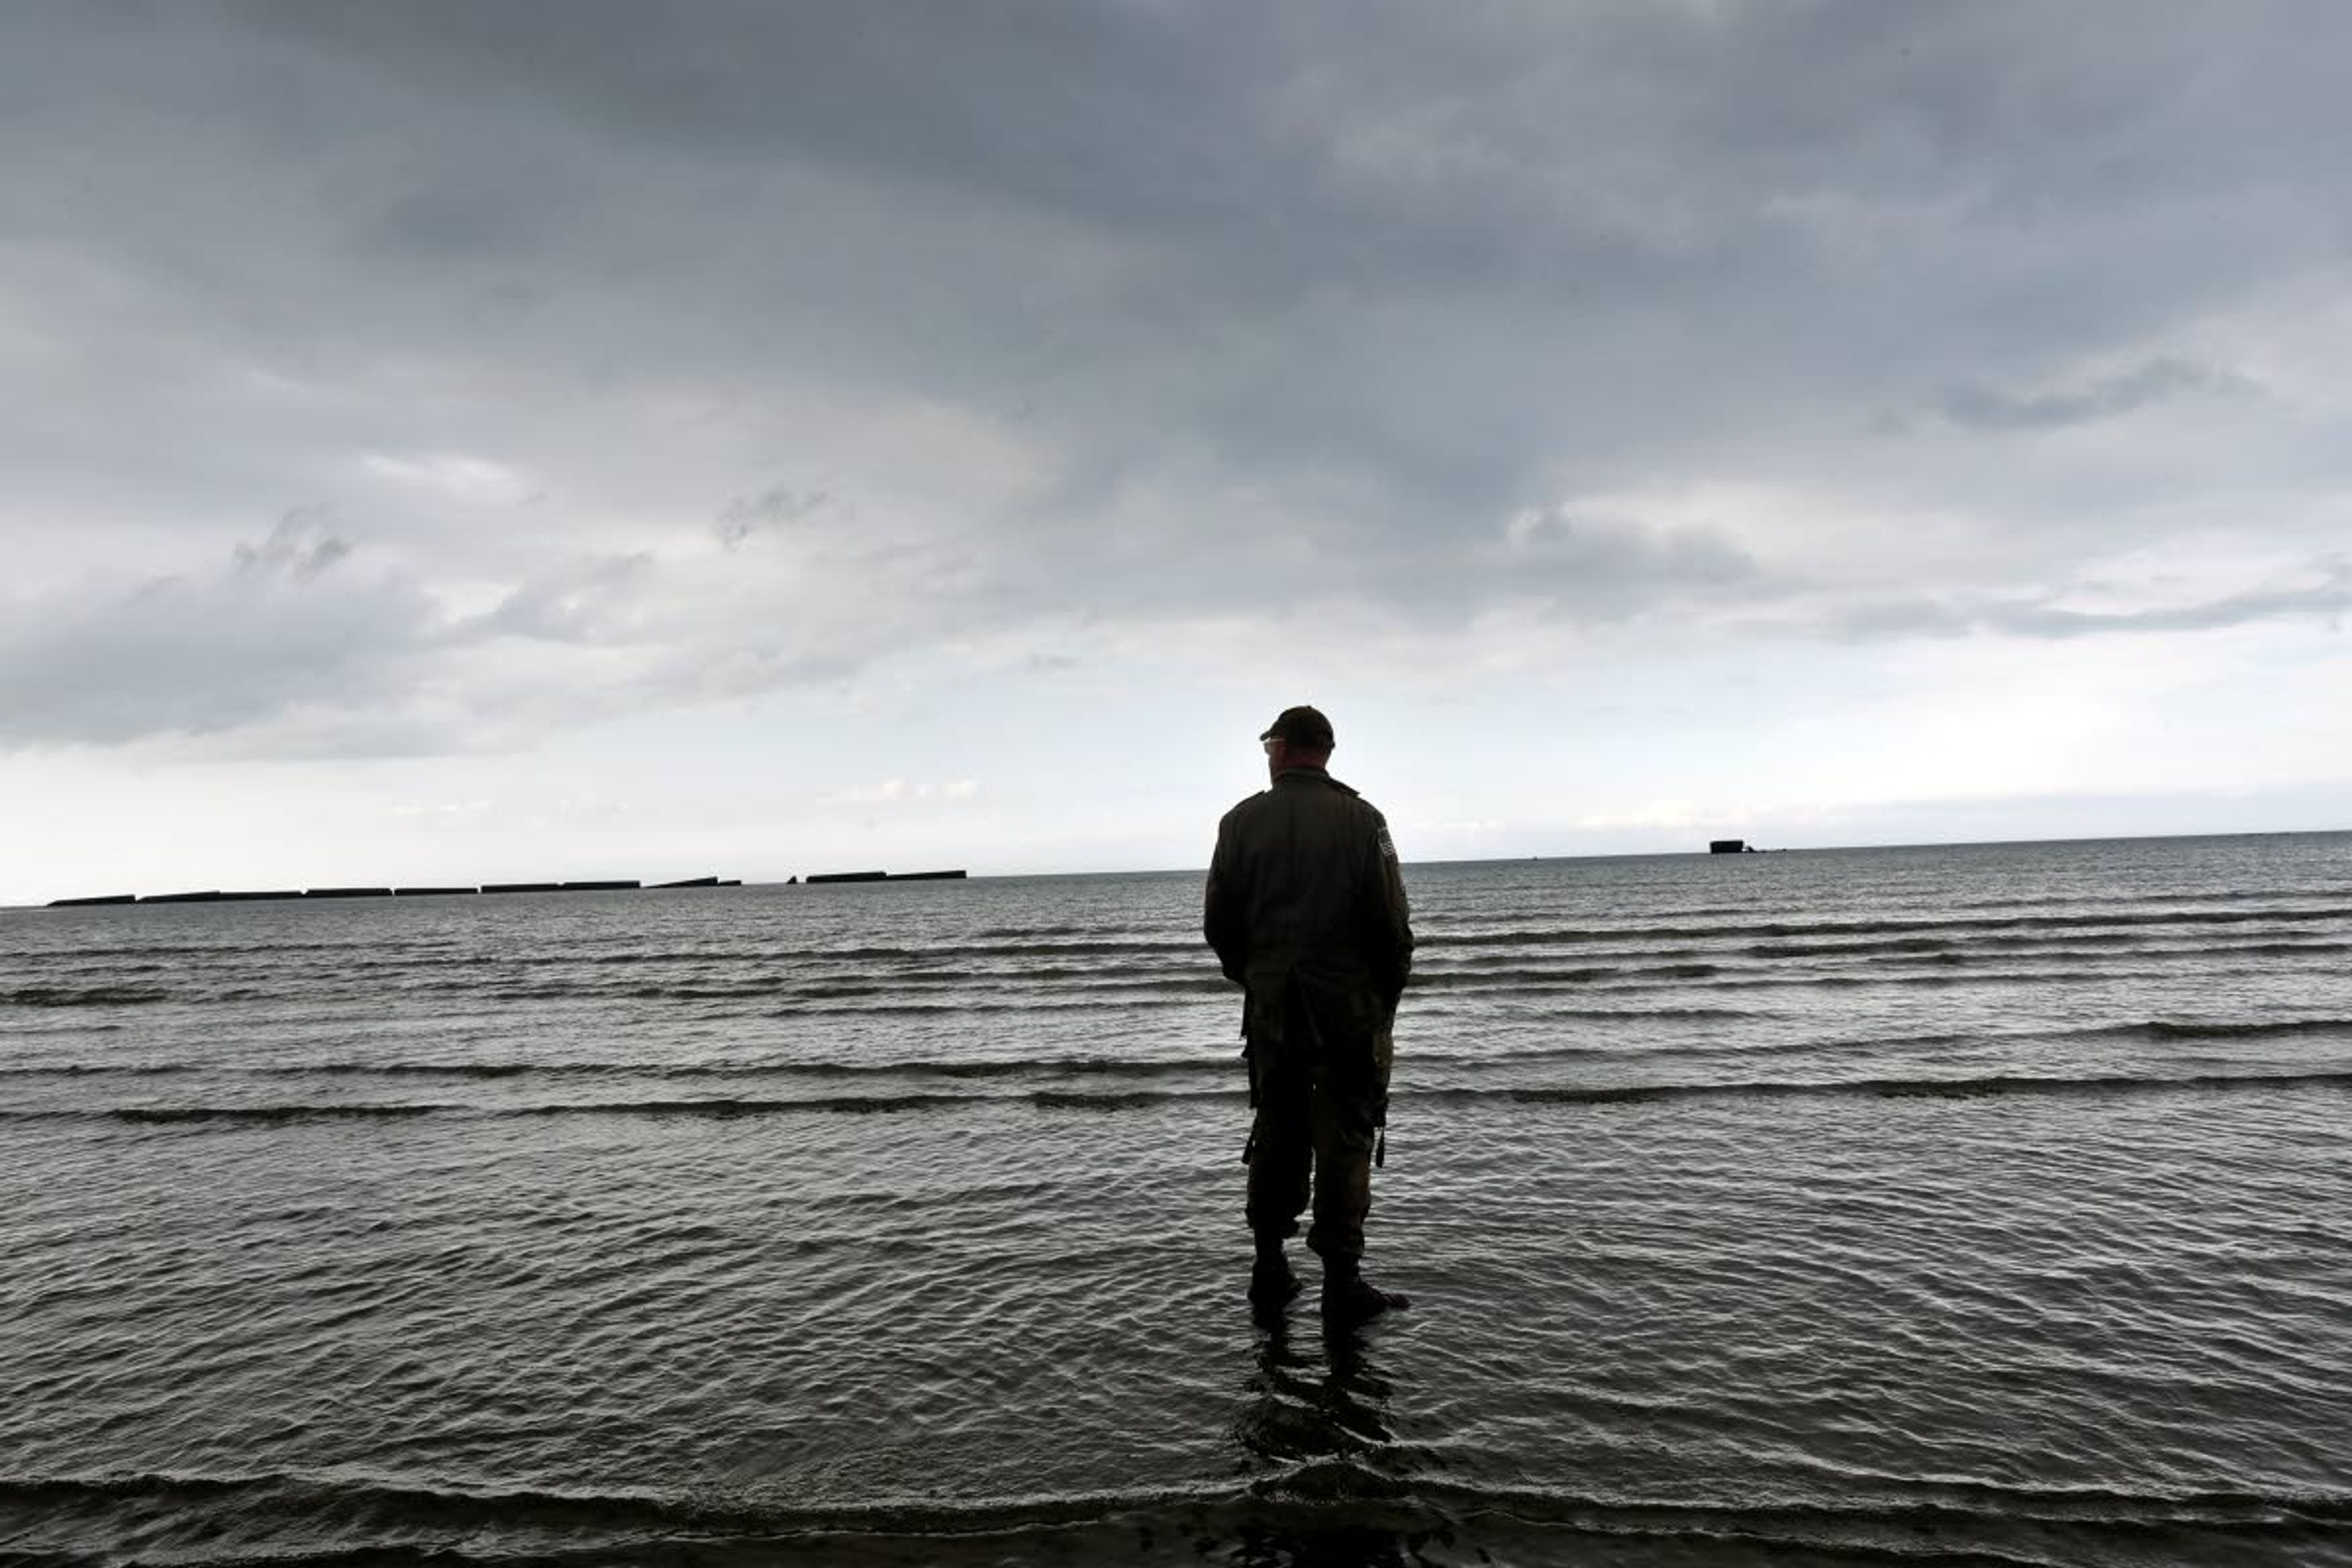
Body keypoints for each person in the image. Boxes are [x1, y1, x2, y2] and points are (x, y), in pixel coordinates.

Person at [1204, 704, 1414, 1321]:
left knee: (1275, 1137)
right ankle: (1340, 1284)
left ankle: (1270, 1268)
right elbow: (1393, 930)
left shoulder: (1239, 822)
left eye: (1269, 743)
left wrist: (1261, 978)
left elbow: (1220, 925)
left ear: (1285, 747)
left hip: (1273, 1017)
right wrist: (1383, 1007)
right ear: (1326, 751)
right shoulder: (1363, 820)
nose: (1266, 755)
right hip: (1348, 1015)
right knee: (1345, 1140)